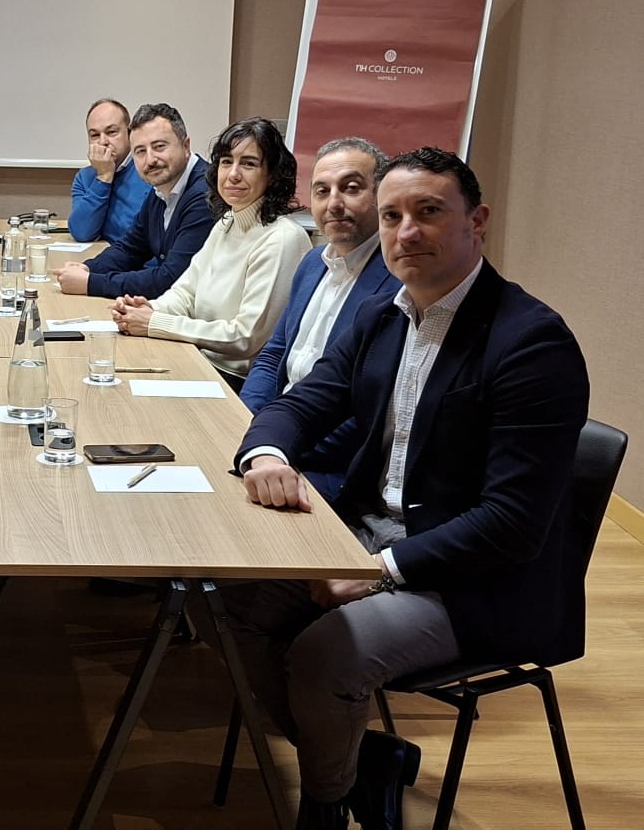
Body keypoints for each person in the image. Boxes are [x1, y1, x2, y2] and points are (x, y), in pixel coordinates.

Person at [228, 148, 589, 830]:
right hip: (372, 535)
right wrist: (267, 452)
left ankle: (326, 807)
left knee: (325, 656)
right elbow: (302, 403)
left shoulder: (530, 343)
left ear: (476, 221)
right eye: (393, 216)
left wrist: (379, 572)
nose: (406, 232)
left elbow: (512, 523)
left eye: (429, 212)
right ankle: (363, 763)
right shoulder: (384, 316)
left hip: (478, 579)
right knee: (232, 601)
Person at [239, 137, 400, 500]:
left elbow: (366, 411)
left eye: (351, 188)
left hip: (326, 467)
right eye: (322, 191)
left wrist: (283, 452)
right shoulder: (313, 263)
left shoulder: (398, 283)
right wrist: (255, 432)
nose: (334, 203)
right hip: (275, 440)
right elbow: (273, 355)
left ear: (381, 196)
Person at [109, 116, 311, 382]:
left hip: (237, 380)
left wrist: (155, 323)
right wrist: (147, 310)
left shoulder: (282, 239)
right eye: (226, 162)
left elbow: (244, 338)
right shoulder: (227, 222)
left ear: (272, 175)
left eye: (249, 163)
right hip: (200, 360)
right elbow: (186, 292)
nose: (233, 174)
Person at [54, 103, 215, 298]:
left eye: (159, 147)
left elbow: (172, 279)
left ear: (186, 146)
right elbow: (131, 247)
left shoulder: (205, 193)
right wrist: (88, 268)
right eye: (140, 151)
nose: (151, 160)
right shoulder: (162, 188)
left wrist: (90, 283)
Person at [66, 99, 153, 243]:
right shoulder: (85, 177)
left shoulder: (149, 169)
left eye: (111, 132)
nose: (103, 141)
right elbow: (81, 233)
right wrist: (104, 176)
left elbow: (141, 235)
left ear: (129, 133)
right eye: (94, 135)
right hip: (107, 254)